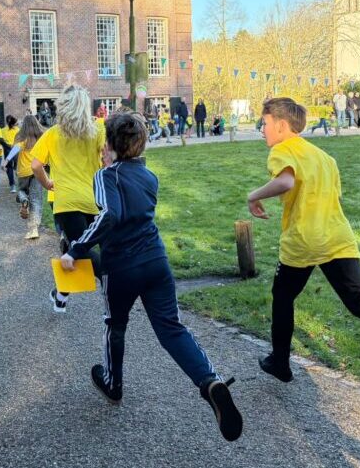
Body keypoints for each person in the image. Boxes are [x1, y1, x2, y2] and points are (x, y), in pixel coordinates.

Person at [62, 112, 243, 442]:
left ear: (110, 144)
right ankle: (209, 381)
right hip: (156, 261)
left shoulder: (105, 175)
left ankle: (113, 384)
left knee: (115, 324)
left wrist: (76, 249)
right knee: (172, 328)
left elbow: (110, 214)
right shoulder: (149, 176)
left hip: (121, 267)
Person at [247, 98, 360, 383]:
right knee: (358, 300)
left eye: (264, 123)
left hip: (303, 241)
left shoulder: (281, 150)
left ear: (281, 126)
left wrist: (253, 196)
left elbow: (286, 182)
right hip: (338, 238)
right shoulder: (325, 158)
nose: (262, 129)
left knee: (283, 297)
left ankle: (280, 362)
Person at [31, 85, 105, 313]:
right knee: (79, 249)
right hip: (95, 199)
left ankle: (64, 292)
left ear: (62, 106)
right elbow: (107, 159)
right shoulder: (98, 129)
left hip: (66, 202)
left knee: (78, 250)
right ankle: (64, 294)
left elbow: (36, 165)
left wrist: (47, 183)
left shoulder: (53, 134)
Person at [5, 115, 45, 239]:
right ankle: (34, 229)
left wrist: (6, 161)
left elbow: (16, 148)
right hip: (37, 171)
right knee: (36, 200)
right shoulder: (41, 137)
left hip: (23, 172)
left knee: (21, 191)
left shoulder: (21, 137)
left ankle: (24, 200)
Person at [2, 115, 19, 194]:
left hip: (8, 149)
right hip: (15, 149)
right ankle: (15, 184)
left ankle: (12, 185)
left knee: (9, 167)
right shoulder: (17, 129)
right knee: (15, 166)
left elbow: (1, 140)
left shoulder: (2, 130)